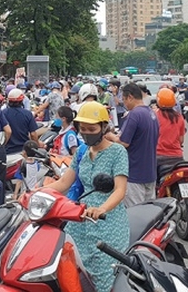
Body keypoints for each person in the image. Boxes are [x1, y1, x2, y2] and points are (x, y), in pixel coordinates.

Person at [44, 101, 129, 292]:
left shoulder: (117, 152)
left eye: (92, 128)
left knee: (103, 277)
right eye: (83, 129)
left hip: (107, 221)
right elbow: (64, 183)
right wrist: (35, 195)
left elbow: (120, 190)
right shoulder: (82, 151)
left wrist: (102, 209)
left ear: (103, 127)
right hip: (80, 218)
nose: (87, 133)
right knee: (67, 266)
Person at [108, 83, 158, 207]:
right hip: (150, 172)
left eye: (124, 100)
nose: (124, 104)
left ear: (130, 97)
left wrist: (110, 136)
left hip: (135, 173)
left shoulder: (134, 114)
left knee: (135, 214)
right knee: (148, 215)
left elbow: (124, 142)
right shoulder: (151, 114)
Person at [154, 88, 186, 178]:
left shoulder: (155, 116)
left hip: (159, 157)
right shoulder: (179, 117)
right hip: (177, 158)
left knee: (152, 186)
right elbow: (181, 140)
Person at [3, 89, 39, 155]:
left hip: (8, 151)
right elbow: (33, 134)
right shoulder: (27, 114)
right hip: (23, 151)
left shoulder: (3, 113)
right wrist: (38, 147)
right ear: (21, 101)